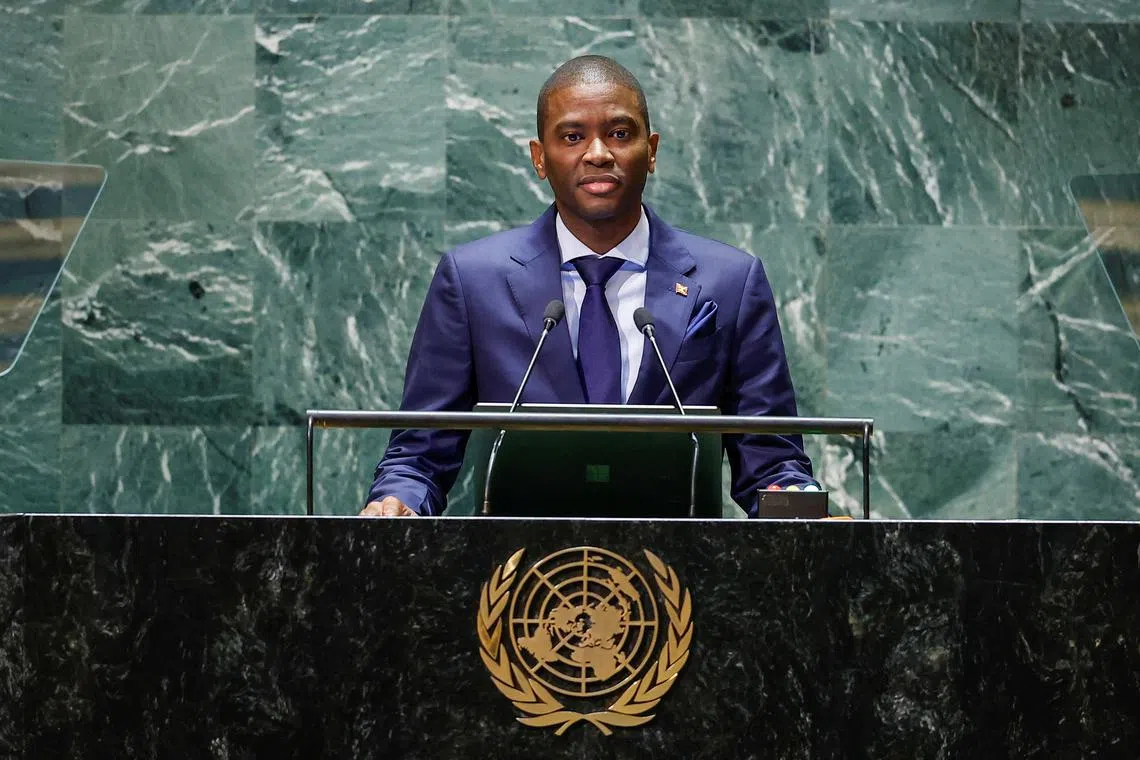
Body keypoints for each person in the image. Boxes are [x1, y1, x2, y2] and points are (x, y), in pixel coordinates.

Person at [362, 55, 816, 518]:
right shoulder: (473, 280)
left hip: (682, 577)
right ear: (540, 158)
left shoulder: (730, 281)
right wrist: (398, 504)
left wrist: (803, 509)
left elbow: (772, 459)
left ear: (652, 150)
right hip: (518, 577)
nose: (598, 153)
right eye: (573, 136)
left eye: (620, 134)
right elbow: (419, 453)